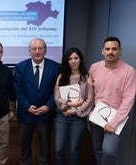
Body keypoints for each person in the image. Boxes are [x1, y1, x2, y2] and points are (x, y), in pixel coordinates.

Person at [89, 36, 136, 165]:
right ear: (102, 51)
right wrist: (90, 112)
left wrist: (114, 123)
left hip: (116, 118)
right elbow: (90, 92)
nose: (110, 52)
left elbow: (128, 100)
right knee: (98, 150)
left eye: (114, 49)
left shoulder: (129, 71)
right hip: (96, 117)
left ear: (120, 50)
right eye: (107, 49)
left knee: (108, 151)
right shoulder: (94, 68)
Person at [13, 38, 60, 165]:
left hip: (46, 114)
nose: (37, 51)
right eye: (34, 49)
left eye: (40, 48)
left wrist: (48, 106)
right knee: (24, 143)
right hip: (26, 113)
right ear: (29, 51)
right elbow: (17, 89)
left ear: (45, 50)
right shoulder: (20, 67)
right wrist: (27, 106)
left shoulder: (55, 67)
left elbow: (57, 90)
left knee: (45, 144)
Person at [54, 47, 94, 165]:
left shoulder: (86, 78)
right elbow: (57, 98)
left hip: (78, 119)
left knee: (74, 150)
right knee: (59, 149)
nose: (73, 61)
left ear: (80, 59)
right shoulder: (61, 77)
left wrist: (74, 110)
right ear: (67, 61)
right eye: (70, 59)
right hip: (62, 117)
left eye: (76, 58)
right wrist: (70, 104)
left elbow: (89, 100)